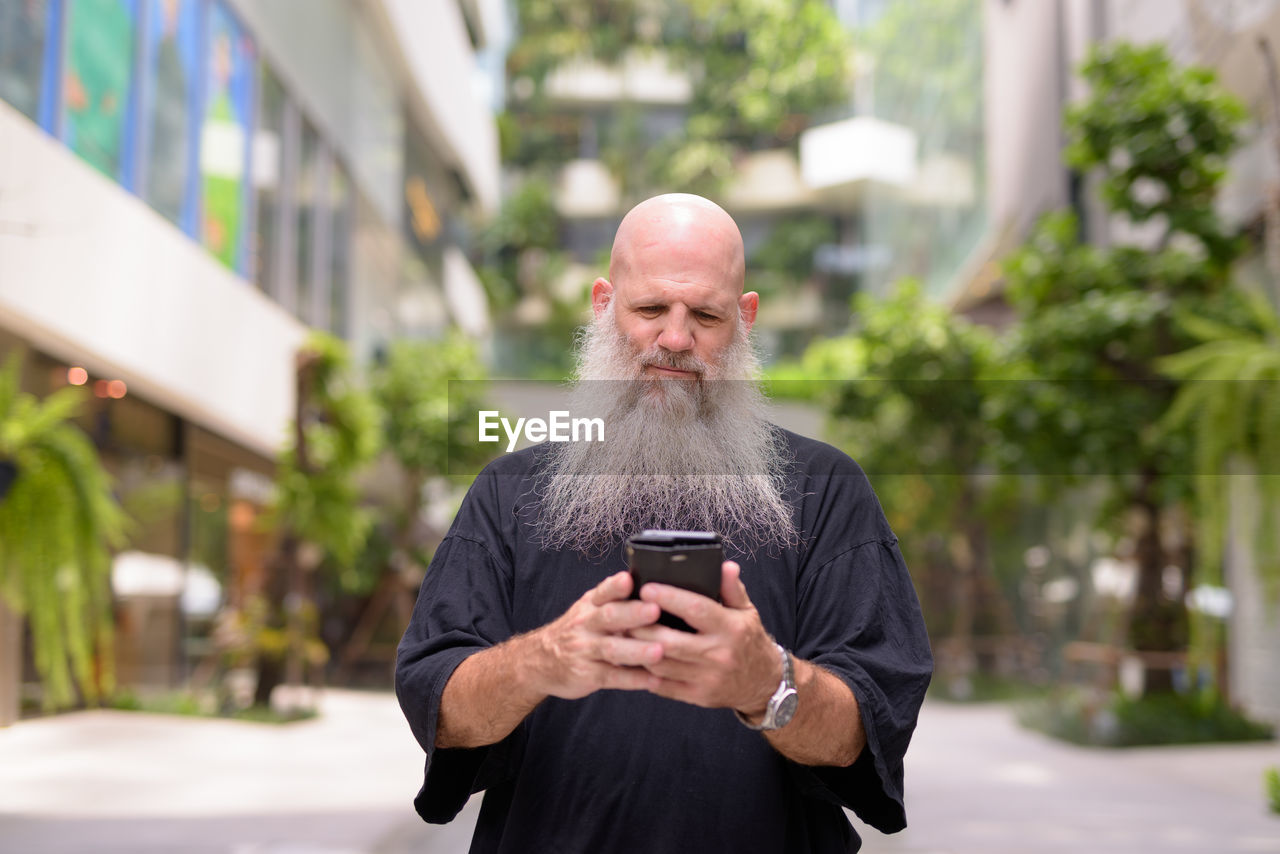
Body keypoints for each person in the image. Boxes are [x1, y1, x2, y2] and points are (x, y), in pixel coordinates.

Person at [395, 194, 933, 853]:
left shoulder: (827, 489)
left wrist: (767, 683)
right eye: (650, 308)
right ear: (602, 305)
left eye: (705, 315)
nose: (675, 340)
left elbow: (871, 724)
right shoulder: (509, 489)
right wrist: (543, 660)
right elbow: (438, 706)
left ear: (745, 319)